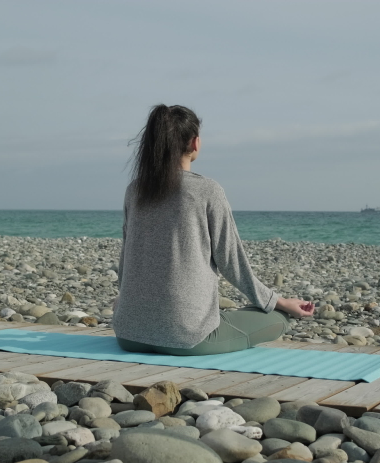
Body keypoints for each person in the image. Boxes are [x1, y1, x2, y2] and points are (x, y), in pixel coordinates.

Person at [113, 104, 314, 356]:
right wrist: (280, 302)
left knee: (230, 313)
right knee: (278, 318)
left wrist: (125, 301)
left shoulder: (135, 190)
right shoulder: (207, 190)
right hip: (187, 339)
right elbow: (232, 263)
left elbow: (126, 255)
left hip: (128, 335)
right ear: (195, 143)